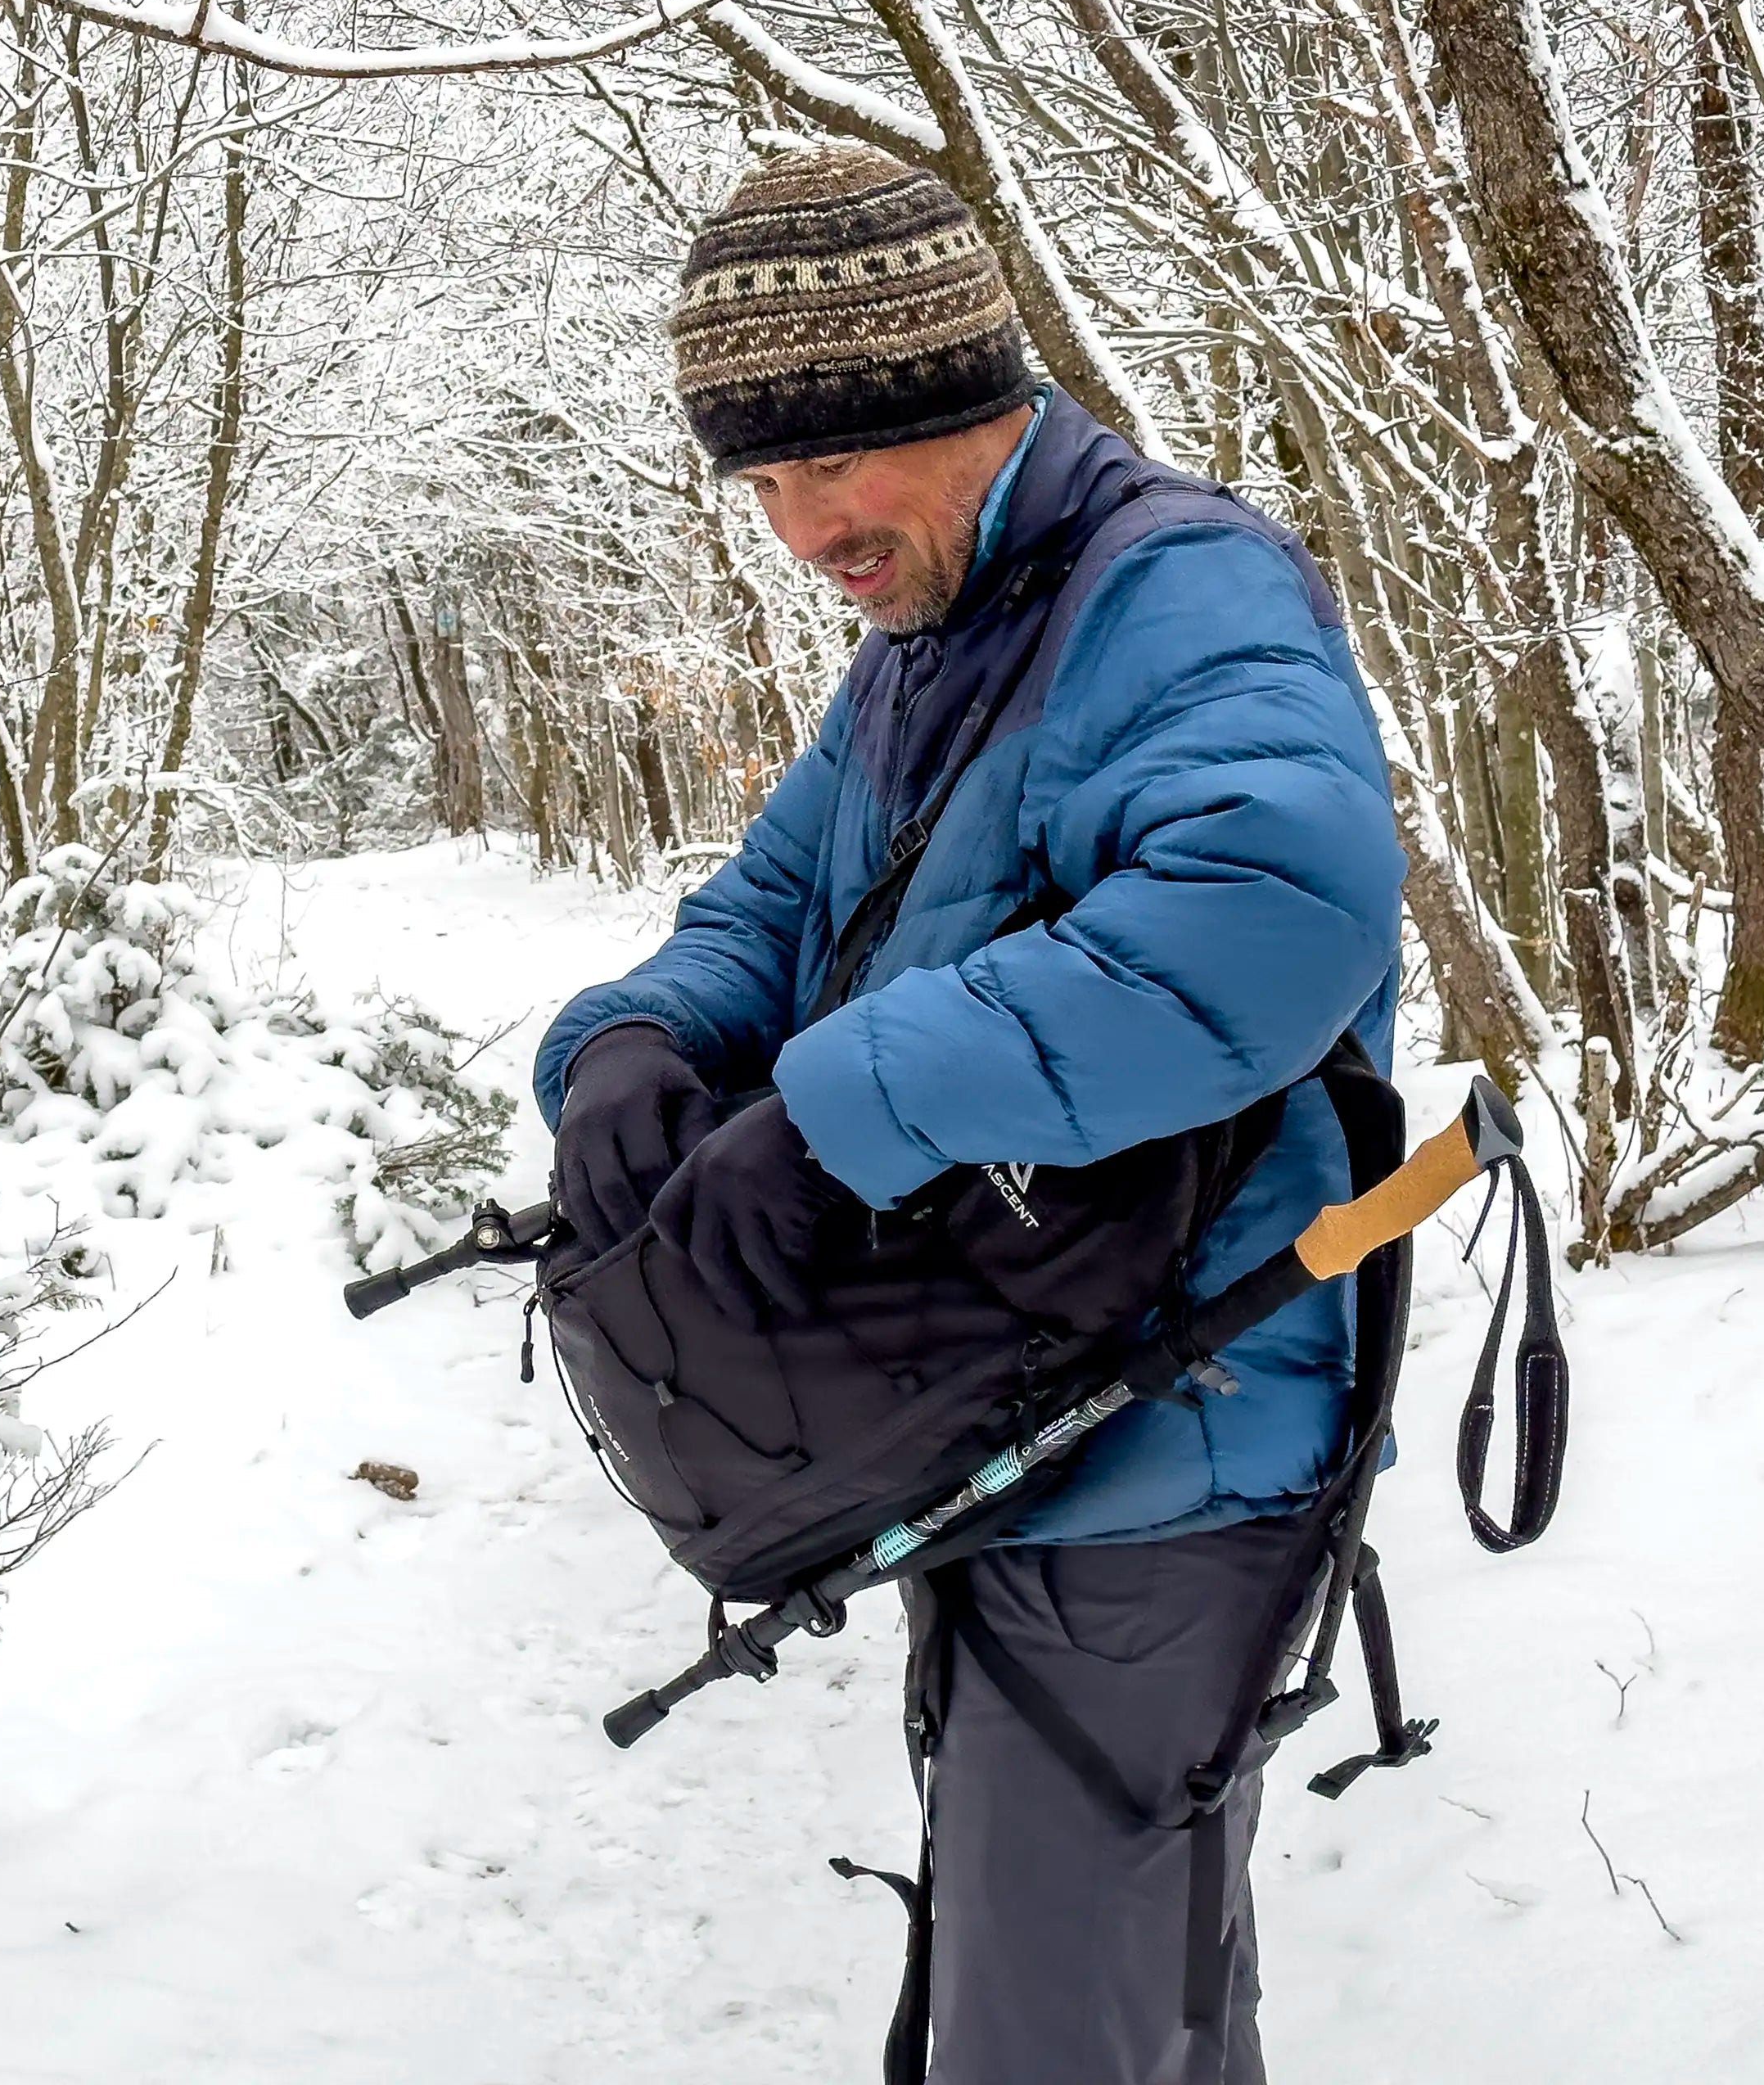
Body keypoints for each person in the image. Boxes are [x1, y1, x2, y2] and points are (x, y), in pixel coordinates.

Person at [533, 142, 1405, 2084]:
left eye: (826, 465)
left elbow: (1278, 918)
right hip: (1032, 1417)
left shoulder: (1168, 595)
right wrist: (634, 1048)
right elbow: (769, 907)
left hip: (1176, 1440)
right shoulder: (938, 644)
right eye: (760, 482)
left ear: (946, 394)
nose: (799, 527)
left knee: (1052, 2029)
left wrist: (839, 1105)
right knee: (1119, 1995)